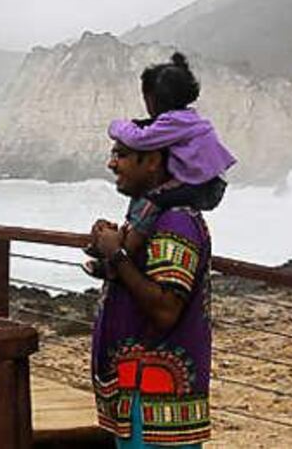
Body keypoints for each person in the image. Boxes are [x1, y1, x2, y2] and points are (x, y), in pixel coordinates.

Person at [89, 138, 213, 448]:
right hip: (138, 393)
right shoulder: (146, 218)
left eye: (123, 155)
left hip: (157, 401)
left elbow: (166, 309)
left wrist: (117, 255)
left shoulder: (175, 222)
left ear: (154, 160)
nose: (112, 163)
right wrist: (111, 248)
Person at [85, 53, 235, 277]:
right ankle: (116, 246)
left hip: (202, 187)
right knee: (145, 197)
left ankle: (116, 259)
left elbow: (138, 139)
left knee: (150, 201)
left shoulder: (174, 121)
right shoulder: (186, 119)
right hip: (207, 183)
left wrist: (116, 126)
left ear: (153, 98)